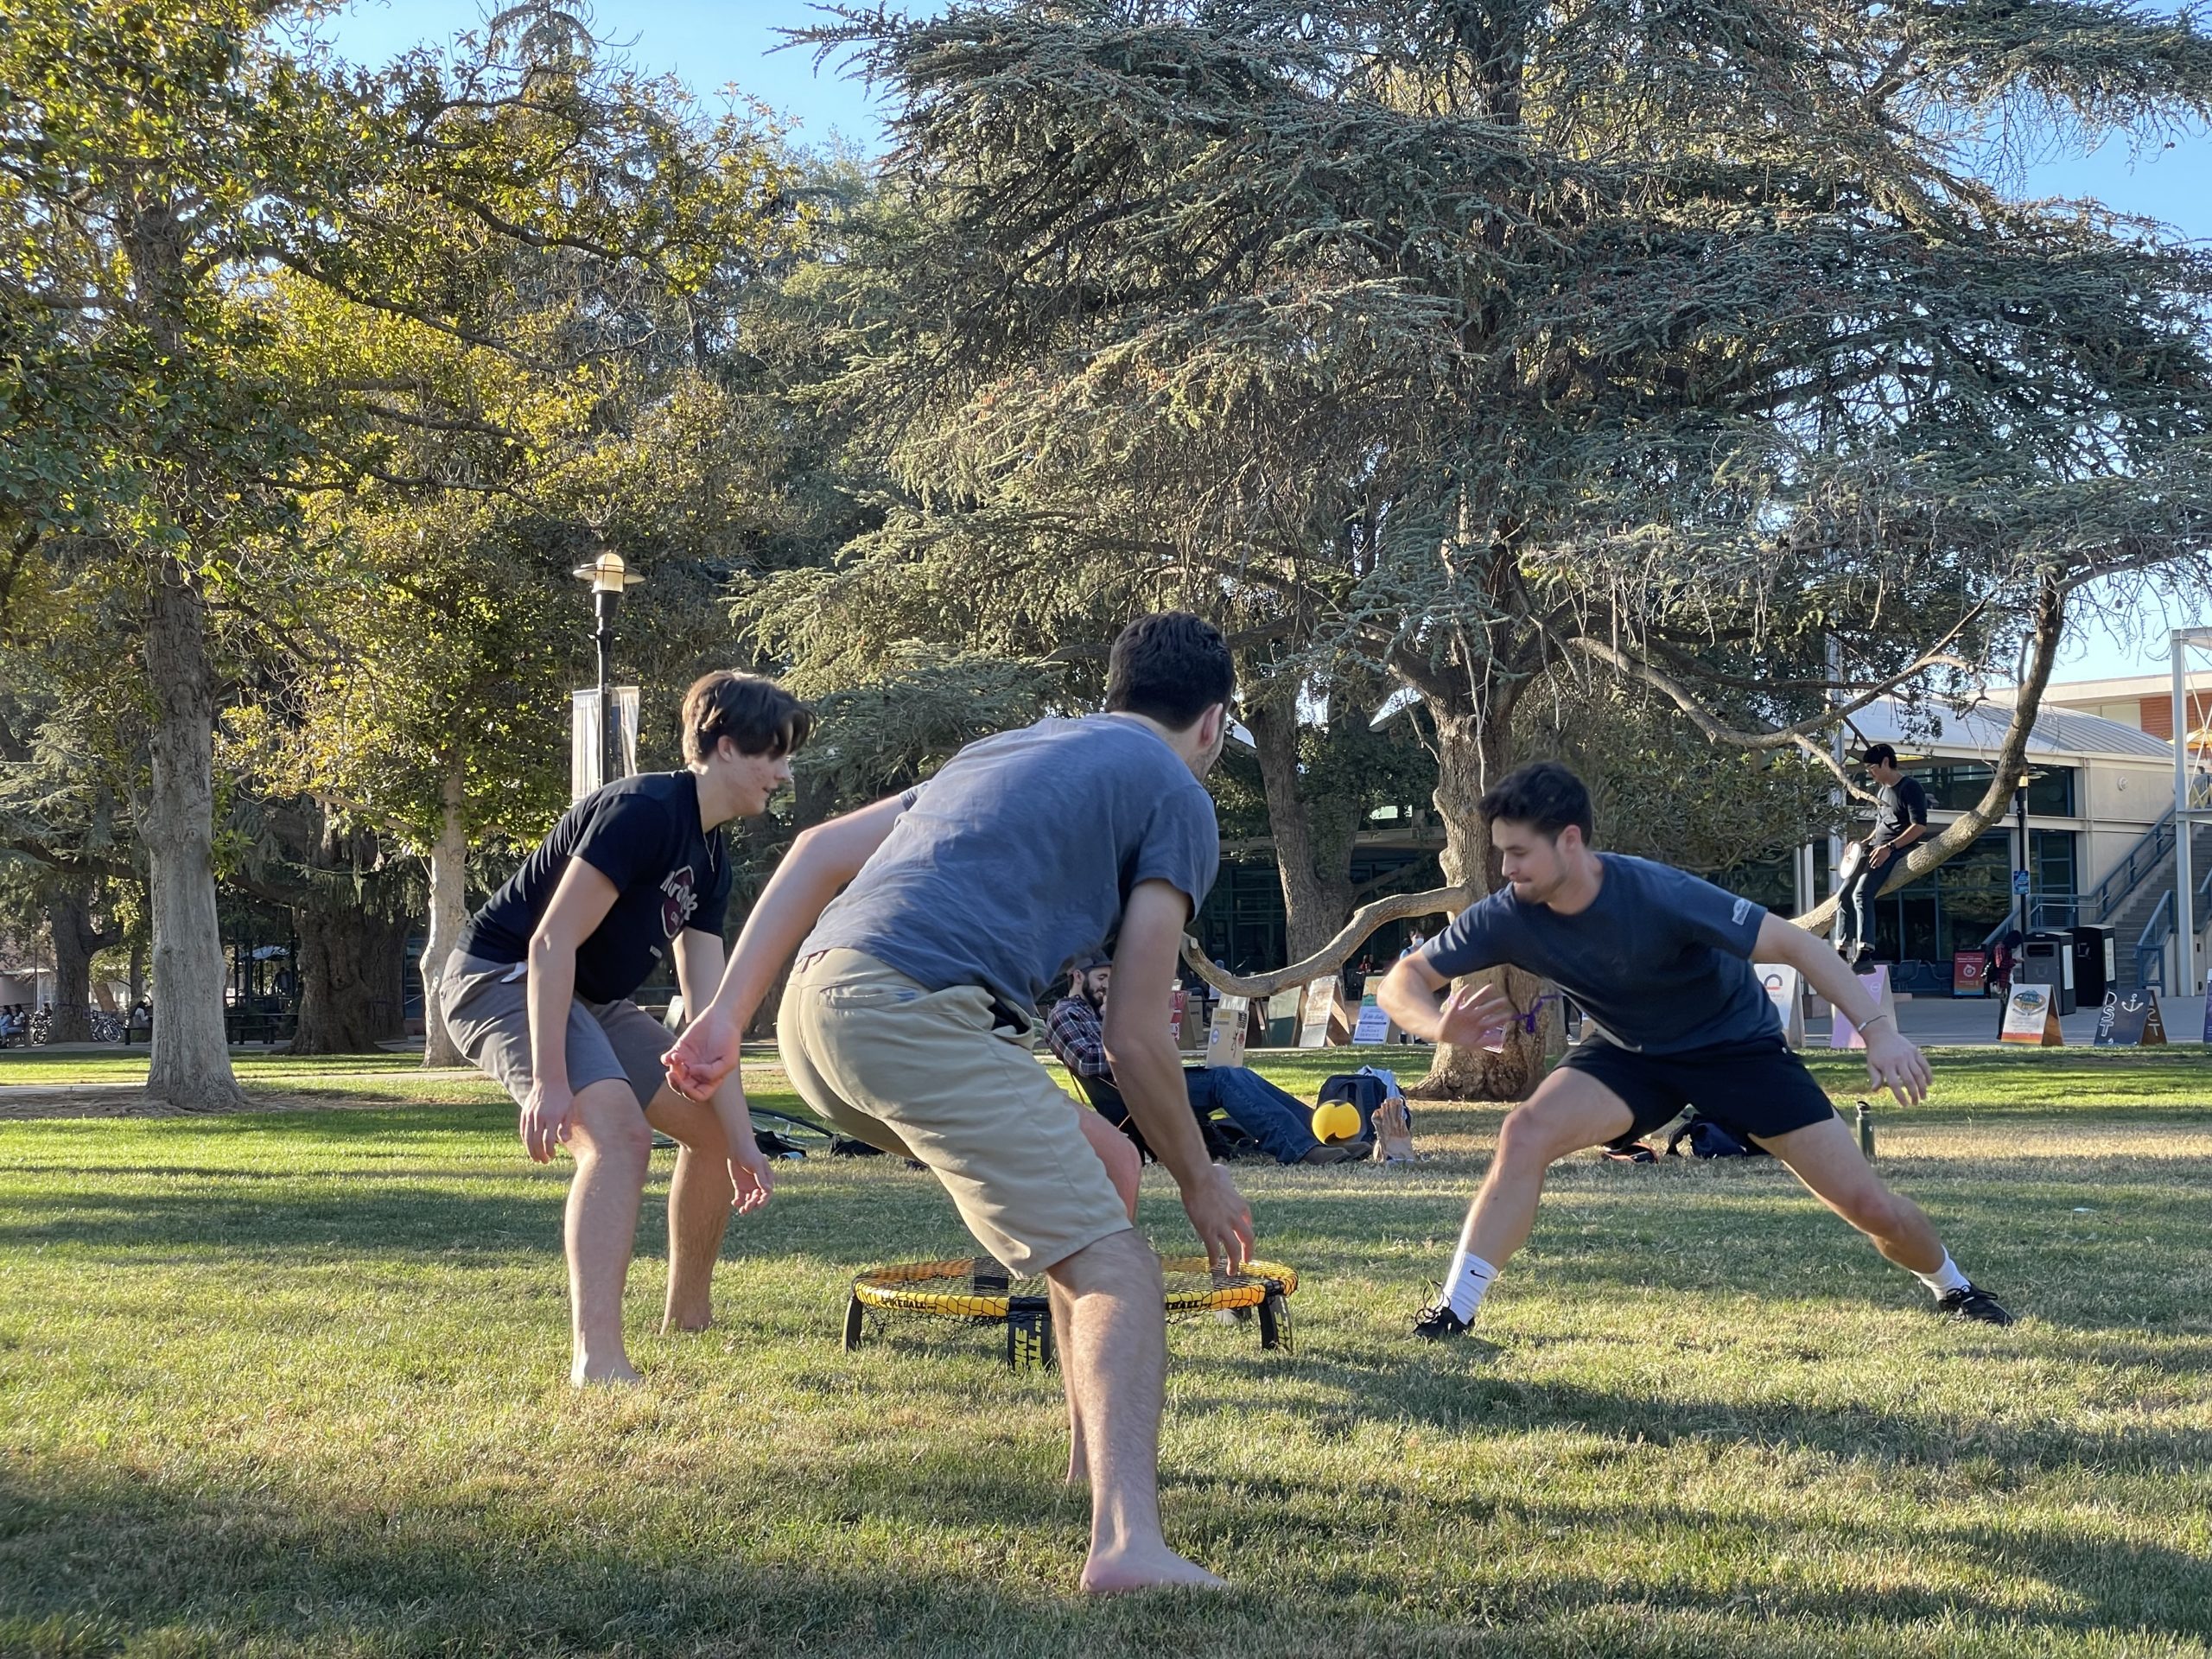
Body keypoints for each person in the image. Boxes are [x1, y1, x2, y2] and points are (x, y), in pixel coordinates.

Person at [665, 612, 1255, 1593]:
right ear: (1214, 723)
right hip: (914, 1012)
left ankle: (1087, 1460)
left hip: (817, 1010)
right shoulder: (1175, 794)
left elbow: (814, 850)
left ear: (1115, 695)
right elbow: (1137, 1036)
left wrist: (730, 1016)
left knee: (1106, 1172)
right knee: (1118, 1263)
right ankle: (1127, 1548)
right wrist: (1201, 1177)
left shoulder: (1009, 745)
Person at [1377, 760, 2013, 1342]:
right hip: (1631, 1055)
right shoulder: (1507, 914)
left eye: (1519, 853)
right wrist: (1438, 1027)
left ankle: (1952, 1287)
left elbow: (1799, 946)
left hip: (1737, 1050)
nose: (1508, 870)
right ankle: (1454, 1312)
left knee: (1869, 1206)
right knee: (1524, 1133)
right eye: (1502, 854)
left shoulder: (1659, 893)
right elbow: (1402, 984)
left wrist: (1879, 1030)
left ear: (1569, 839)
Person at [436, 671, 801, 1386]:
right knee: (617, 1136)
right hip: (503, 977)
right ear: (726, 747)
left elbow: (707, 1012)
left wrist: (743, 1139)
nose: (785, 774)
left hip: (592, 1000)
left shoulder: (712, 854)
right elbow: (548, 945)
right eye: (775, 755)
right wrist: (548, 1080)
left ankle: (688, 1318)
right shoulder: (641, 810)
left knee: (711, 1131)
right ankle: (596, 1359)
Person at [1047, 957, 1358, 1166]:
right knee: (1225, 1080)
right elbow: (1087, 1061)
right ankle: (1301, 1150)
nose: (1107, 986)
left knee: (1235, 1074)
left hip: (1152, 1081)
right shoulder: (1065, 1014)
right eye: (1101, 978)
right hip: (1132, 1096)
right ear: (1077, 976)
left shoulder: (1103, 1012)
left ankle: (1321, 1135)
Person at [1833, 742, 1930, 966]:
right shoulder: (1882, 791)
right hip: (1876, 848)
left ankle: (1865, 952)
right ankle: (1841, 949)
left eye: (1872, 768)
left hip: (1896, 850)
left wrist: (1891, 848)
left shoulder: (1910, 787)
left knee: (1861, 893)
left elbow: (1919, 826)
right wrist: (1864, 843)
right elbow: (1881, 824)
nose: (1870, 773)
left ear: (1886, 762)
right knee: (1843, 895)